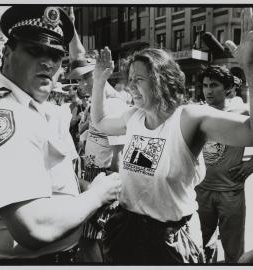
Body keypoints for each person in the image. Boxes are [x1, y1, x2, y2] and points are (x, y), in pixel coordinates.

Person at [90, 8, 253, 264]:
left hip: (172, 241)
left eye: (139, 79)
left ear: (162, 80)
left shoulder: (188, 117)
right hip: (127, 231)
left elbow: (249, 132)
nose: (130, 85)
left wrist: (250, 68)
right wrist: (99, 81)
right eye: (130, 79)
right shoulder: (133, 116)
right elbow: (98, 122)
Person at [0, 6, 121, 265]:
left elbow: (52, 182)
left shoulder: (38, 109)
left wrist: (82, 189)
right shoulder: (4, 114)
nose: (48, 62)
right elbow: (33, 227)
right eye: (35, 51)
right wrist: (98, 195)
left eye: (56, 55)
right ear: (7, 54)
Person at [66, 56, 128, 263]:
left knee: (96, 240)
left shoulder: (114, 105)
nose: (80, 85)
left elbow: (119, 153)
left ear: (100, 74)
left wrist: (113, 191)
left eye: (85, 79)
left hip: (105, 175)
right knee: (88, 238)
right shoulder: (95, 103)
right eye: (78, 81)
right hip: (90, 173)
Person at [195, 65, 253, 263]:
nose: (208, 90)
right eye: (205, 85)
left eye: (214, 85)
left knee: (233, 252)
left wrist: (251, 164)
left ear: (227, 87)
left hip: (231, 192)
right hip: (201, 191)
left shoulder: (242, 111)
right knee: (197, 246)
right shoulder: (197, 113)